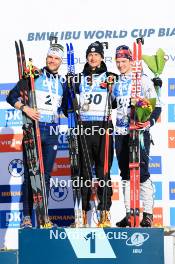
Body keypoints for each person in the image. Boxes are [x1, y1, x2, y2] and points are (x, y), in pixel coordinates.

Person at [6, 41, 65, 228]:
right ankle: (26, 218)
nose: (52, 61)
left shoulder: (62, 82)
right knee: (32, 174)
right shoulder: (33, 76)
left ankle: (43, 217)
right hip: (33, 129)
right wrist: (26, 109)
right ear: (46, 58)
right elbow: (11, 97)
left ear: (61, 61)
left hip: (52, 131)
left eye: (56, 58)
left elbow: (65, 108)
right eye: (50, 57)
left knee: (45, 176)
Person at [112, 45, 162, 227]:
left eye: (123, 61)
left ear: (131, 61)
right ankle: (129, 213)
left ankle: (148, 214)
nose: (120, 65)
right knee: (125, 174)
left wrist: (149, 123)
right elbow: (111, 104)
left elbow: (157, 106)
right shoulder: (116, 83)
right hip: (120, 133)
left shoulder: (143, 80)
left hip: (139, 133)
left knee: (142, 173)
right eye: (117, 62)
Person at [70, 41, 116, 227]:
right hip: (84, 128)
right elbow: (69, 104)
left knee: (103, 172)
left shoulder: (111, 77)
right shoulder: (79, 78)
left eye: (96, 54)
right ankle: (81, 215)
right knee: (84, 174)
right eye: (90, 54)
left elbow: (118, 102)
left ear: (102, 57)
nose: (93, 57)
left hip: (103, 127)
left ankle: (104, 213)